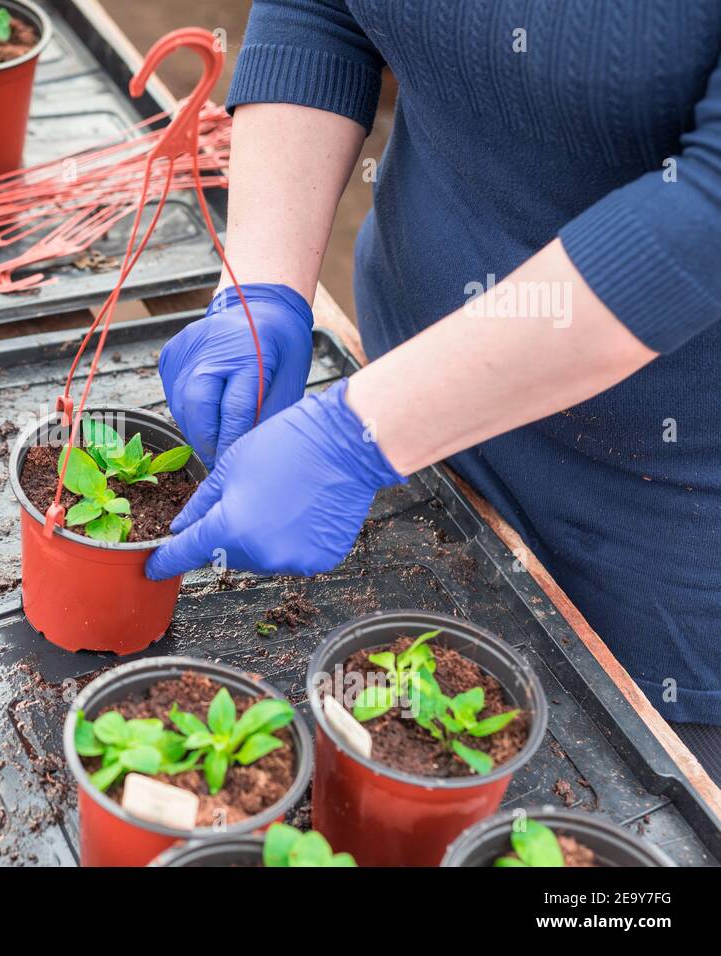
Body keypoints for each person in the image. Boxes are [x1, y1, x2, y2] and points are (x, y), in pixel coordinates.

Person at [144, 0, 721, 780]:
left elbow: (704, 213)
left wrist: (358, 435)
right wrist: (262, 283)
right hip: (404, 412)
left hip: (660, 539)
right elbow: (320, 10)